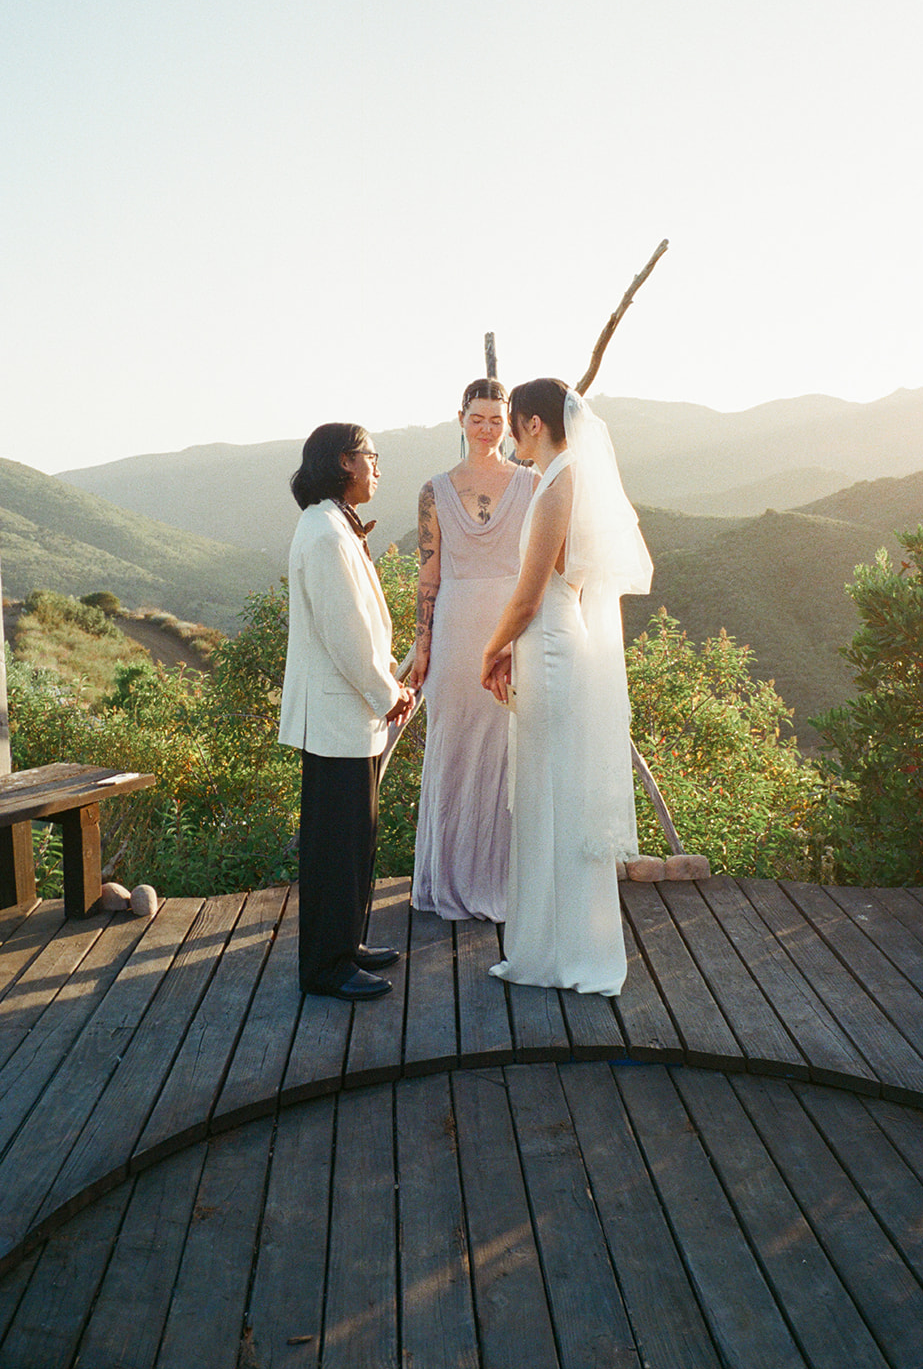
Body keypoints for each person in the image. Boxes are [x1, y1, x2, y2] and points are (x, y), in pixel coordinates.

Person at [481, 379, 653, 996]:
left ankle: (564, 955)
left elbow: (529, 596)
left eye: (513, 423)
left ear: (531, 424)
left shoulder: (558, 481)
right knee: (551, 795)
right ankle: (555, 949)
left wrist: (491, 649)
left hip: (550, 647)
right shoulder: (566, 475)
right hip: (554, 642)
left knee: (552, 797)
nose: (509, 435)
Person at [279, 423, 413, 1000]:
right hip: (337, 715)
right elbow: (347, 635)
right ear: (343, 462)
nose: (378, 468)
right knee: (335, 845)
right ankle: (326, 967)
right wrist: (390, 693)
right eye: (371, 457)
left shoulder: (330, 523)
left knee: (354, 837)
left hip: (344, 716)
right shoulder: (327, 534)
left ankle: (345, 942)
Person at [410, 379, 537, 920]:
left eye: (495, 418)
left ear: (508, 420)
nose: (486, 428)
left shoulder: (531, 485)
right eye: (476, 418)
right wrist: (422, 645)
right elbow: (427, 577)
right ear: (460, 418)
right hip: (458, 629)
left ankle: (506, 880)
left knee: (511, 749)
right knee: (454, 746)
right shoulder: (433, 489)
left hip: (513, 630)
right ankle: (452, 877)